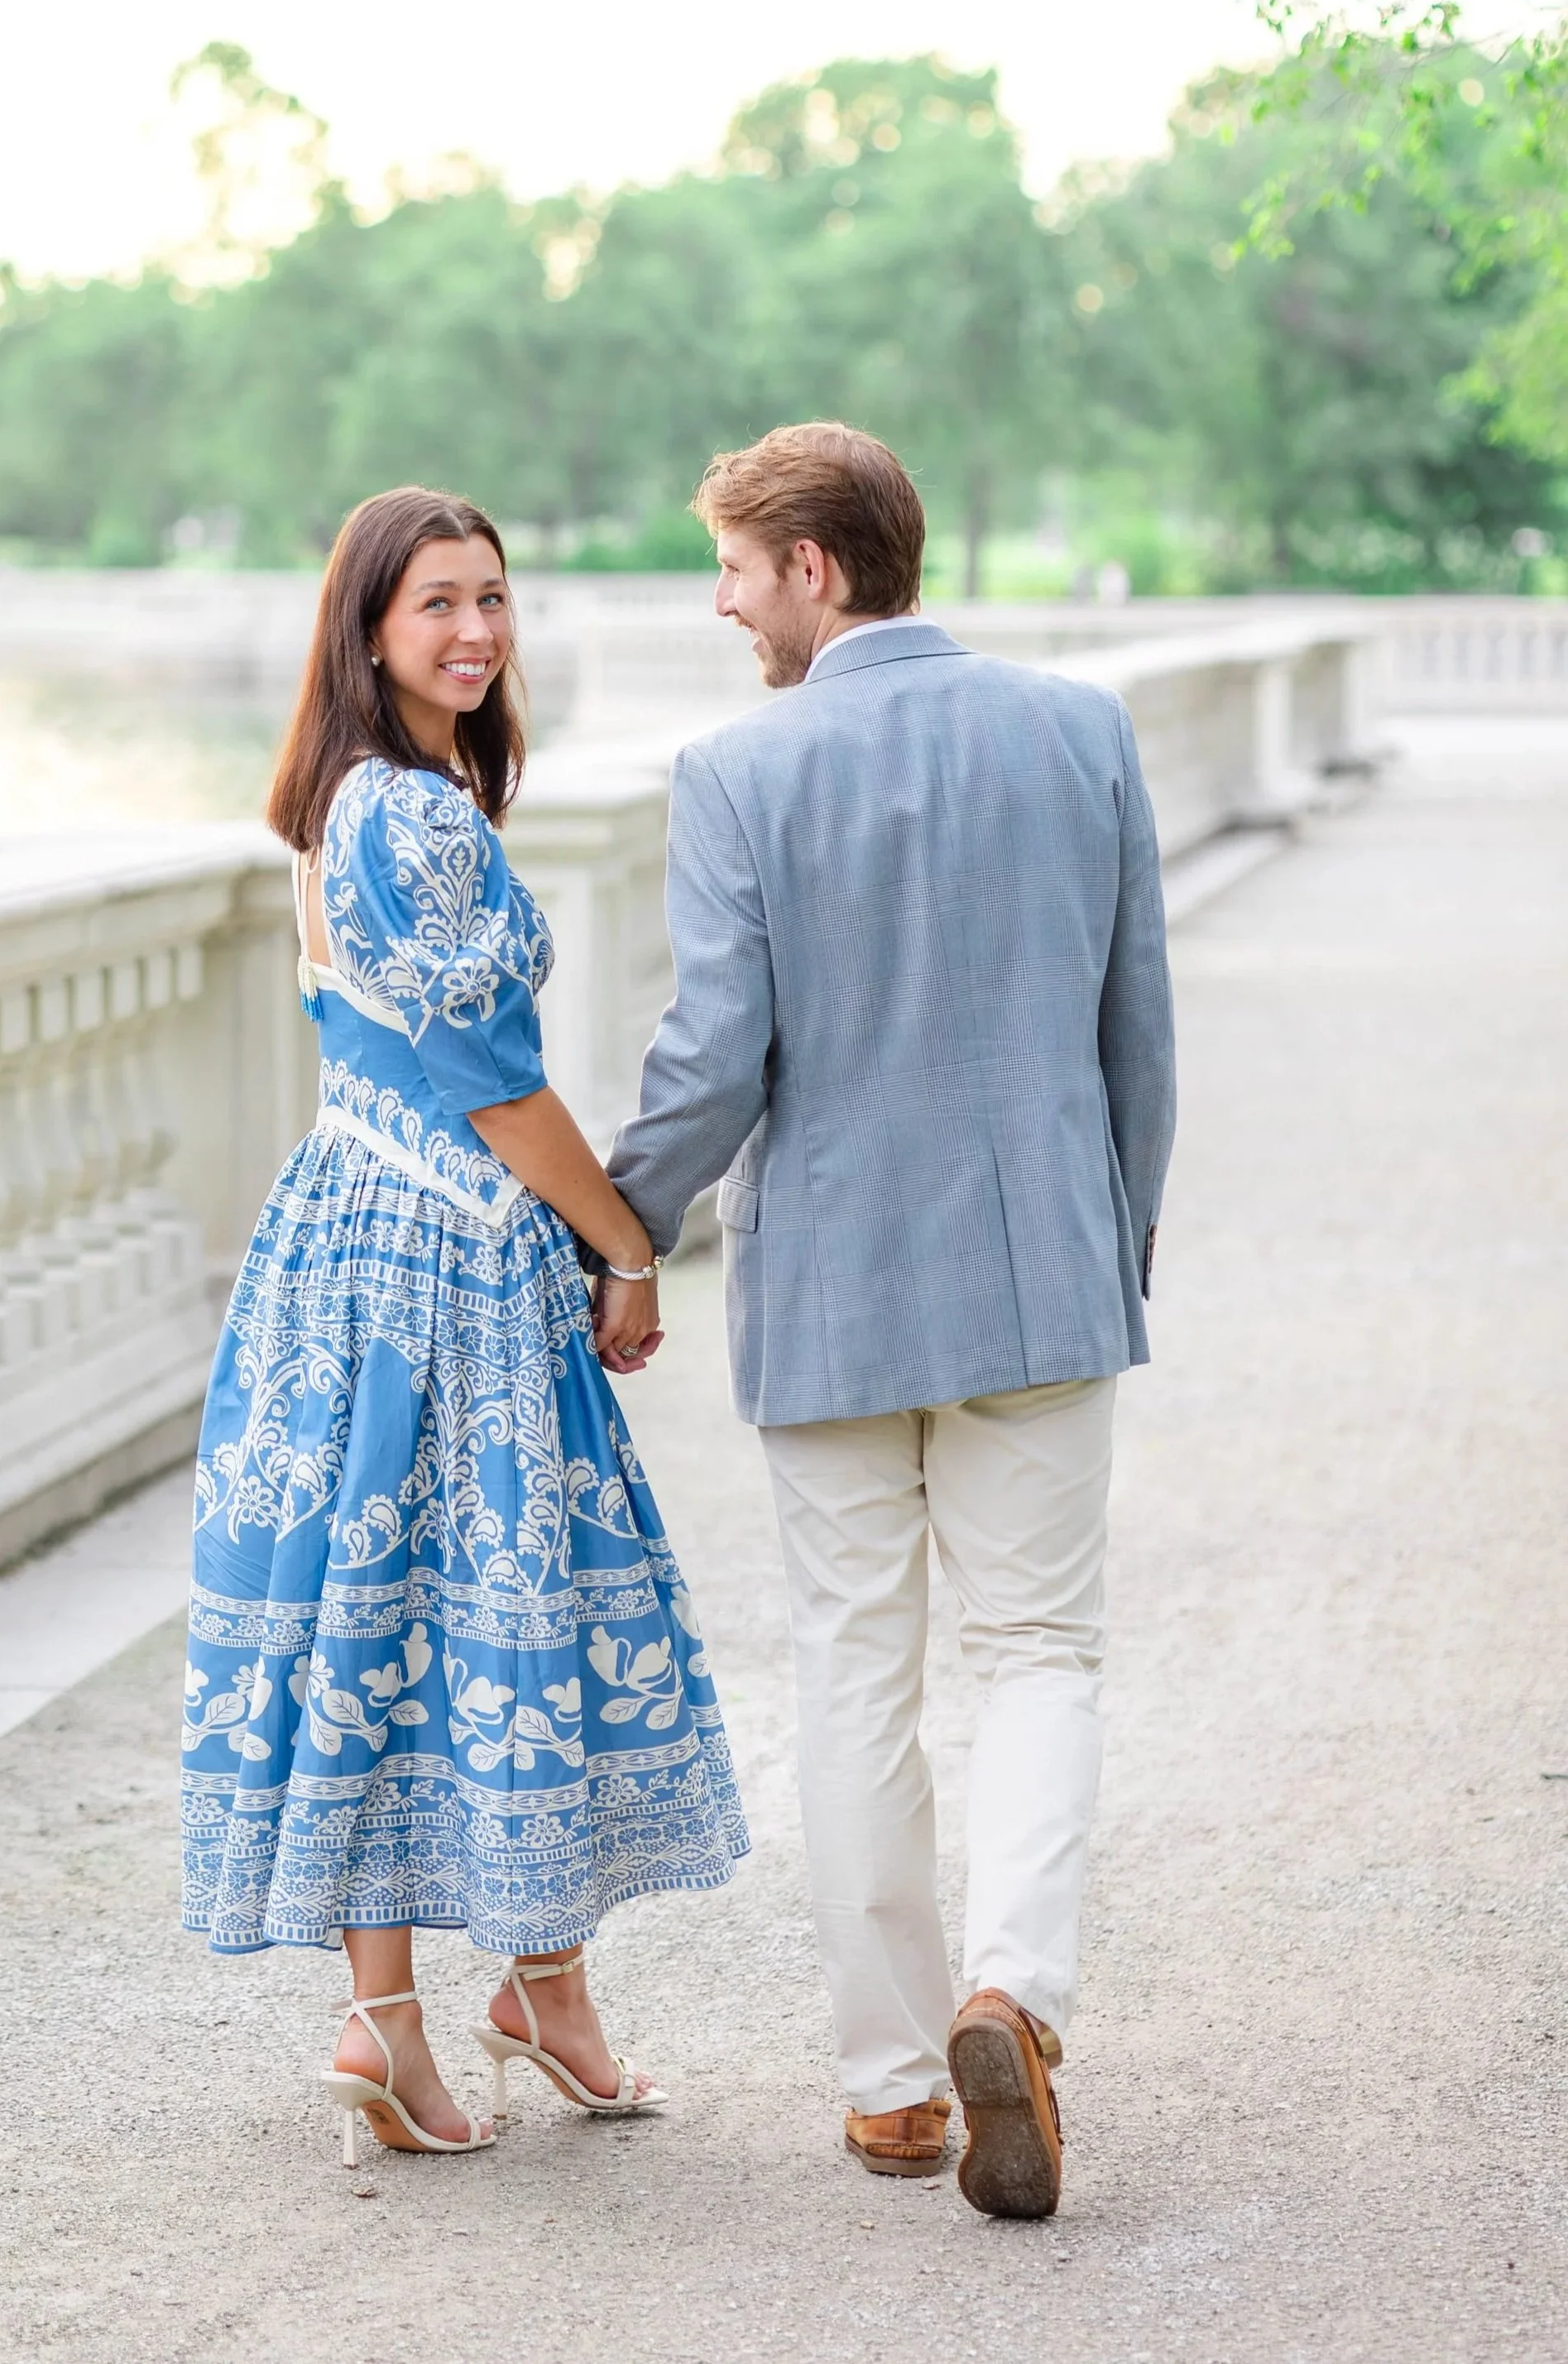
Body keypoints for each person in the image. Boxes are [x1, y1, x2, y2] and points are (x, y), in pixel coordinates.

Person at [600, 422, 1176, 2219]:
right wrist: (1109, 1248)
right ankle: (1014, 1989)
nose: (722, 603)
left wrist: (611, 1233)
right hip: (1036, 1275)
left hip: (838, 1286)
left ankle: (889, 2088)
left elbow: (711, 1060)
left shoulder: (735, 772)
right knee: (1036, 1655)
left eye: (736, 568)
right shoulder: (1079, 733)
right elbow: (1132, 1036)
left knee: (855, 1664)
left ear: (816, 570)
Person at [181, 486, 748, 2164]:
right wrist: (626, 1241)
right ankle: (498, 2000)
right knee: (498, 1602)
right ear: (367, 628)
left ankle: (446, 2014)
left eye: (493, 599)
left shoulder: (352, 801)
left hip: (356, 1231)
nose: (477, 633)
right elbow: (495, 1087)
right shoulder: (411, 823)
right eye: (437, 604)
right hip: (444, 1254)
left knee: (395, 1613)